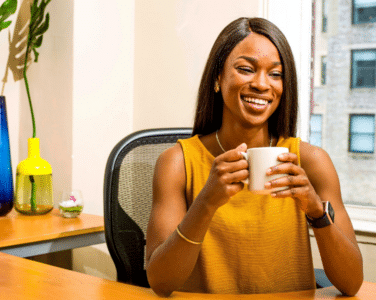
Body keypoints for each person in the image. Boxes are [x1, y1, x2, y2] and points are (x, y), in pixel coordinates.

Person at [145, 17, 363, 297]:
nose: (262, 84)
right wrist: (206, 202)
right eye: (246, 69)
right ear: (217, 77)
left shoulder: (311, 161)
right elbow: (161, 283)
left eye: (275, 74)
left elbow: (352, 283)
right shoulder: (176, 163)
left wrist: (316, 211)